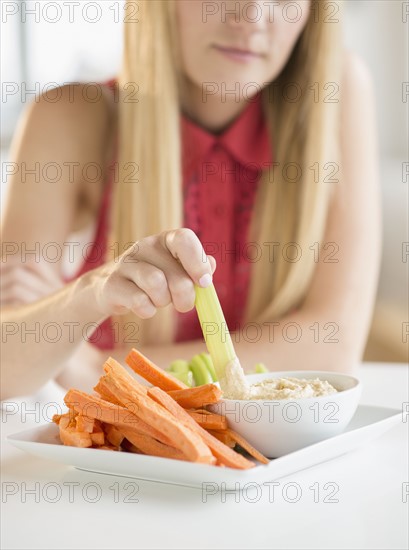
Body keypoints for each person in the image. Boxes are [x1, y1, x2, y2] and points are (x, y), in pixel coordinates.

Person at [0, 0, 380, 400]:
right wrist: (84, 298)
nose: (251, 15)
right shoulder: (71, 117)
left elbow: (332, 349)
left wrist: (95, 365)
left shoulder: (335, 92)